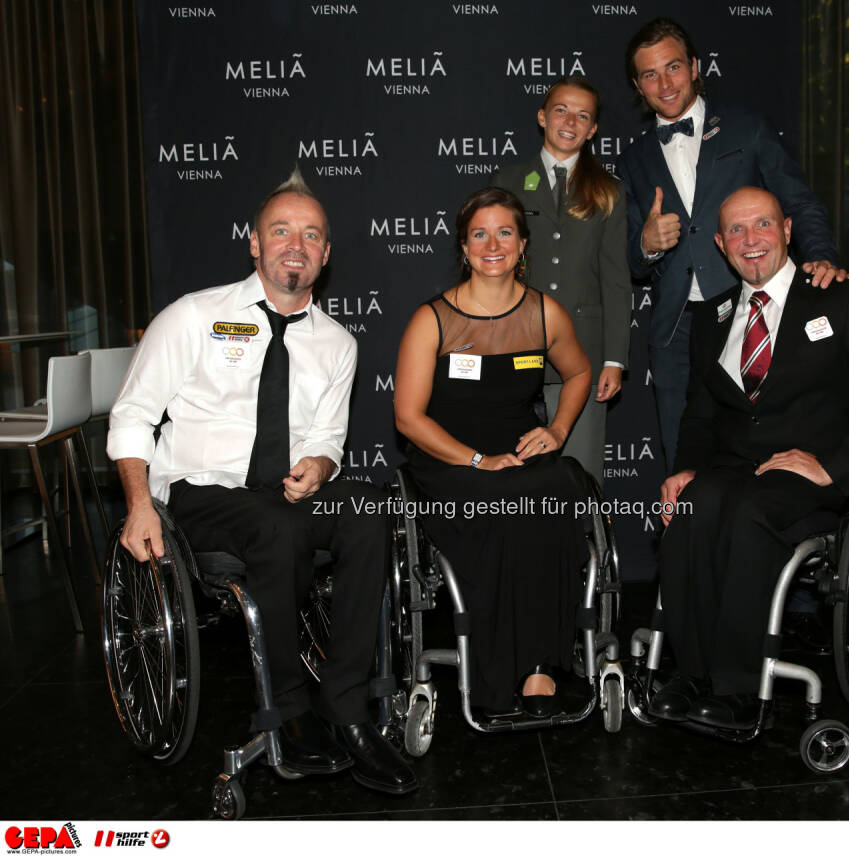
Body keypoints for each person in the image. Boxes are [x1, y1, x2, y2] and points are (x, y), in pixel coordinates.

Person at [106, 169, 418, 795]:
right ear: (254, 243)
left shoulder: (337, 343)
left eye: (311, 235)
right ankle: (289, 708)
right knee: (277, 525)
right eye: (281, 231)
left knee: (366, 509)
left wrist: (323, 466)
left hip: (285, 493)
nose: (295, 245)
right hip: (201, 494)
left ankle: (347, 706)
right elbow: (134, 412)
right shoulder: (195, 315)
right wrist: (139, 505)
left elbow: (328, 436)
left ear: (326, 255)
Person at [651, 187, 849, 730]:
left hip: (811, 475)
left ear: (786, 231)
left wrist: (835, 465)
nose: (750, 240)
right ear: (720, 244)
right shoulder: (712, 317)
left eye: (762, 225)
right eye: (735, 230)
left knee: (750, 512)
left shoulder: (841, 298)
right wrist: (685, 468)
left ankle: (738, 688)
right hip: (733, 469)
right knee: (691, 509)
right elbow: (701, 416)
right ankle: (691, 674)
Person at [394, 187, 593, 717]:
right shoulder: (431, 320)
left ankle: (537, 665)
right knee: (498, 500)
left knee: (554, 486)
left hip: (519, 446)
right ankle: (496, 664)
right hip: (447, 457)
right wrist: (476, 460)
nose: (492, 244)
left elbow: (578, 373)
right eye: (479, 234)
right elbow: (408, 418)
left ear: (522, 243)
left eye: (505, 231)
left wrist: (558, 429)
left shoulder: (543, 313)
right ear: (463, 247)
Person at [617, 17, 849, 468]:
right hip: (675, 328)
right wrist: (646, 244)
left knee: (757, 446)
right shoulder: (633, 160)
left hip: (749, 308)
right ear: (637, 85)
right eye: (650, 74)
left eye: (674, 67)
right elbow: (632, 262)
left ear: (695, 67)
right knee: (680, 458)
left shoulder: (747, 128)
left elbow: (799, 204)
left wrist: (821, 257)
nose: (664, 83)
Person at [491, 76, 631, 489]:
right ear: (542, 117)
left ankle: (586, 552)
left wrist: (614, 360)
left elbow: (616, 280)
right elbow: (489, 269)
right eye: (561, 110)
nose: (570, 121)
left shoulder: (609, 191)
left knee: (580, 476)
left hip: (584, 354)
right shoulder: (507, 182)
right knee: (514, 473)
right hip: (513, 345)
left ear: (592, 130)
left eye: (582, 115)